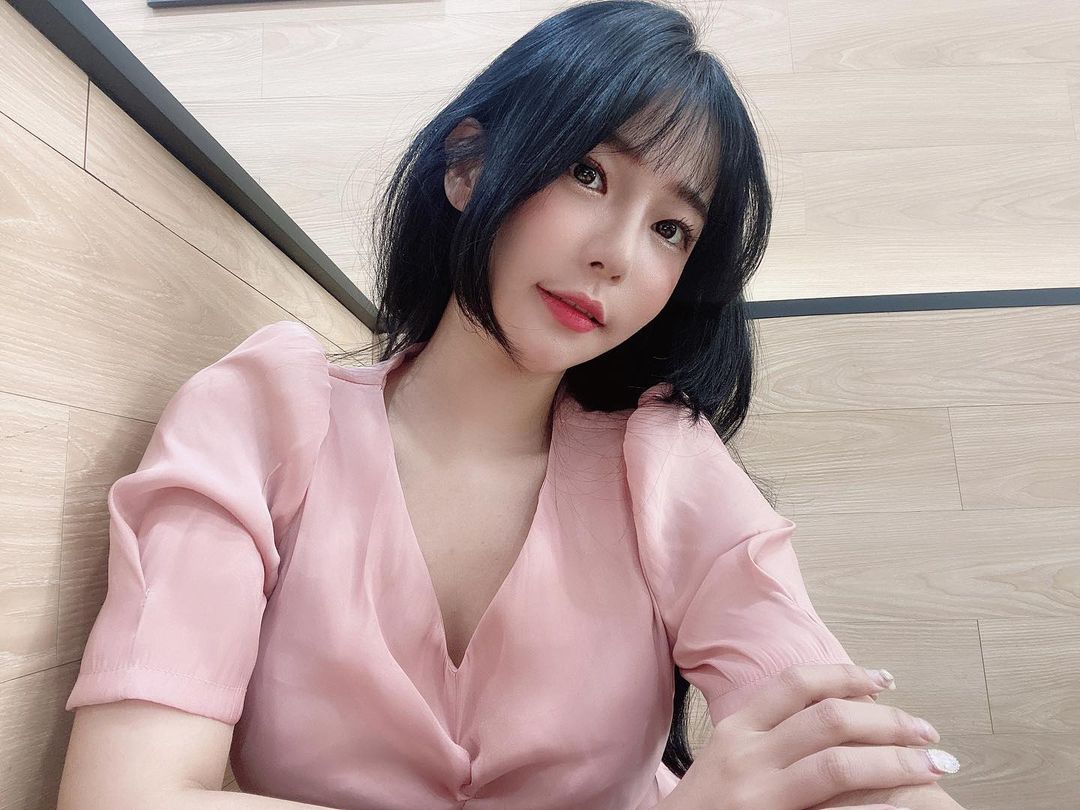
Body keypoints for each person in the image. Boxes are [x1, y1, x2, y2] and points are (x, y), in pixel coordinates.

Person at [63, 2, 884, 808]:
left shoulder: (665, 461)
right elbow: (121, 795)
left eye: (671, 229)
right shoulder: (259, 418)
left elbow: (838, 753)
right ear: (468, 166)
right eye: (588, 173)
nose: (617, 255)